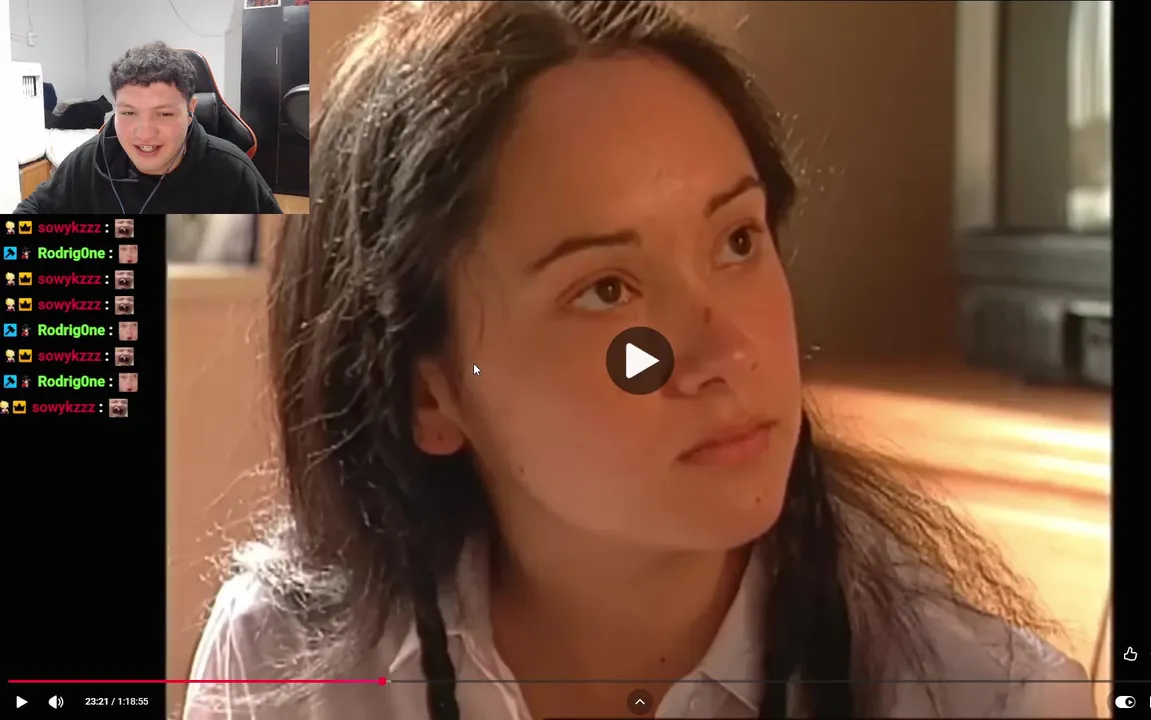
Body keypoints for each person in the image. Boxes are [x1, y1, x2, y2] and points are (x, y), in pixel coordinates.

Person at [183, 2, 1095, 719]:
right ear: (431, 391)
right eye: (607, 289)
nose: (728, 350)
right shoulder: (283, 668)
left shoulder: (988, 696)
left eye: (738, 240)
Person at [12, 42, 280, 214]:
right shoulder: (90, 161)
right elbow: (34, 211)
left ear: (190, 111)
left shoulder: (232, 171)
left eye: (164, 114)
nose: (144, 133)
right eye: (128, 113)